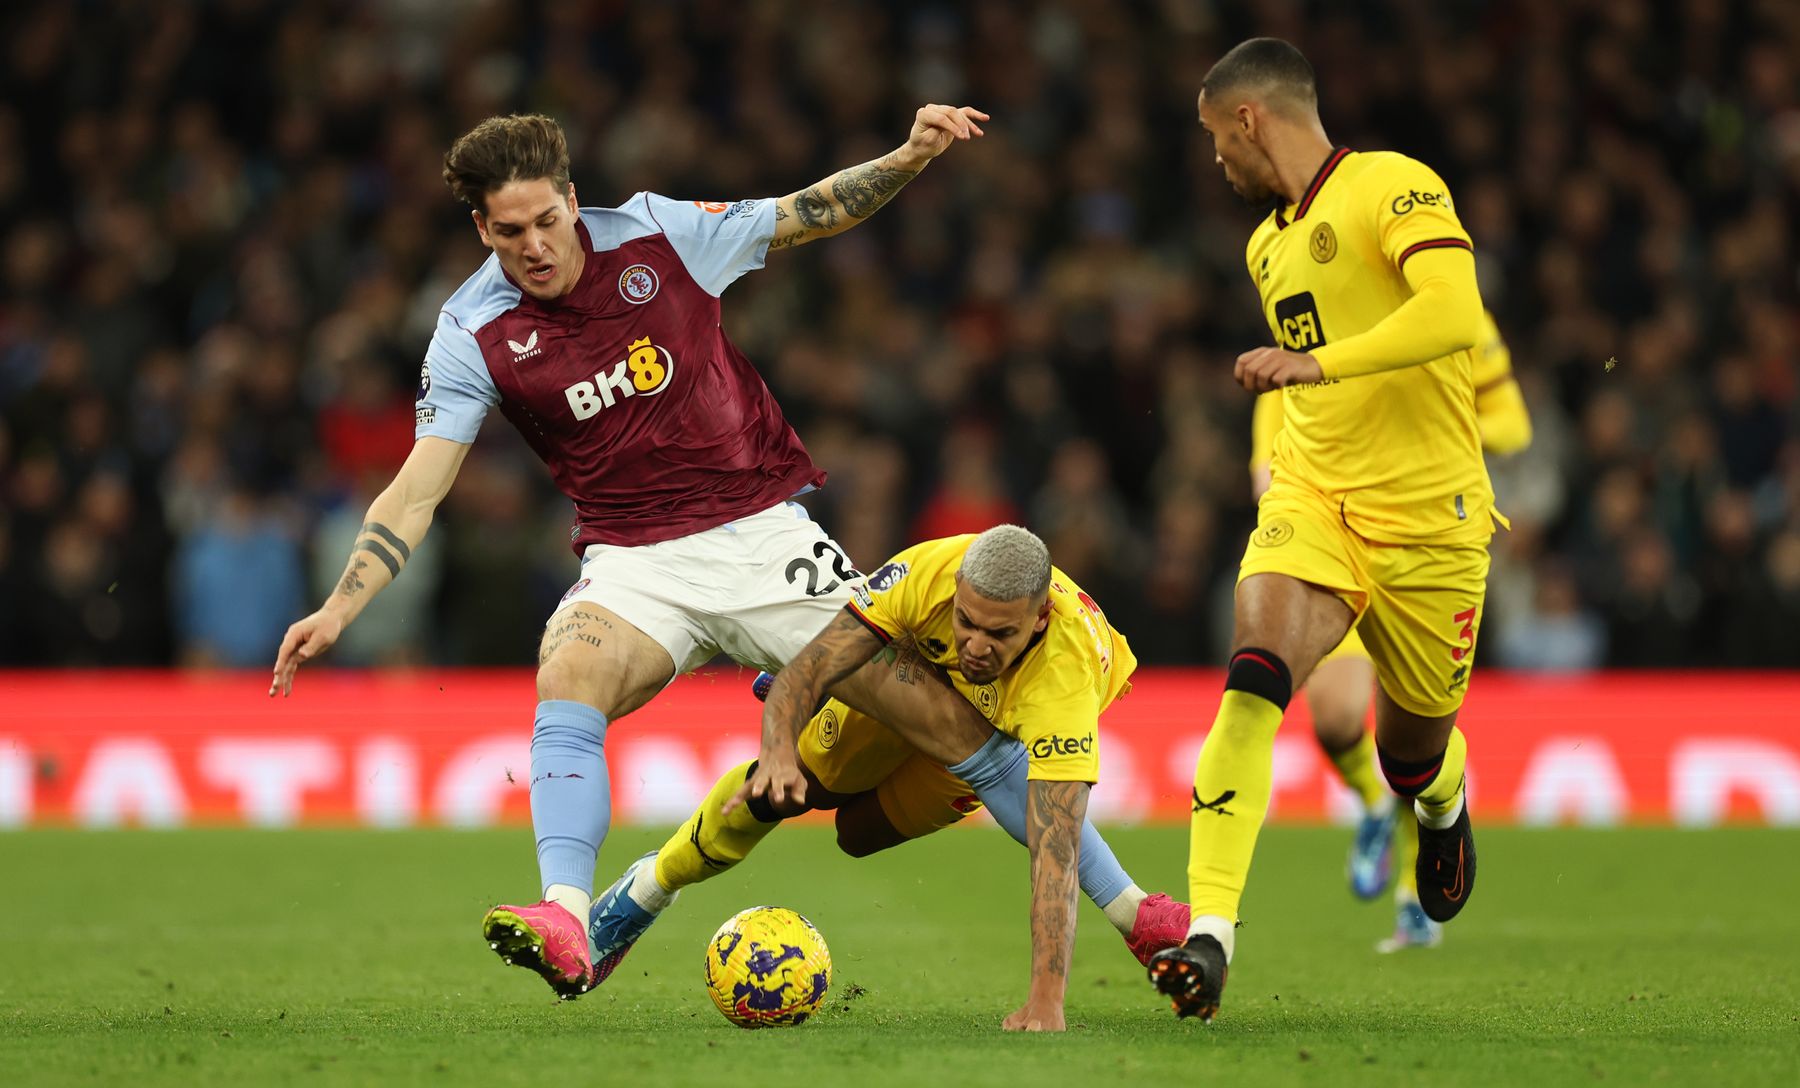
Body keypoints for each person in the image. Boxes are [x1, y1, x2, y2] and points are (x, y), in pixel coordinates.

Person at [264, 107, 1110, 1014]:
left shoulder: (661, 236)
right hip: (634, 562)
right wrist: (340, 606)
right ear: (481, 228)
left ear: (573, 200)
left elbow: (809, 211)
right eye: (510, 232)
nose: (537, 246)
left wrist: (907, 157)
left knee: (952, 729)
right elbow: (415, 490)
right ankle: (564, 913)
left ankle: (1139, 915)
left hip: (762, 537)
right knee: (569, 674)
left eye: (548, 221)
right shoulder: (473, 332)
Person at [1149, 38, 1504, 1022]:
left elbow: (1454, 312)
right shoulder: (1265, 243)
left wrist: (1324, 362)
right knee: (1254, 675)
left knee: (1412, 751)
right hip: (1314, 498)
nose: (1217, 160)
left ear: (1251, 118)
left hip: (1434, 517)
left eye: (1219, 137)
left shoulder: (1393, 186)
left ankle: (1440, 804)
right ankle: (1210, 935)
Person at [586, 526, 1190, 1027]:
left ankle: (1139, 916)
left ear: (1039, 620)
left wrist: (1046, 1000)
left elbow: (1055, 842)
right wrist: (775, 752)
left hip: (998, 734)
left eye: (1000, 634)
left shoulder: (1065, 681)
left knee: (858, 834)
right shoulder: (925, 573)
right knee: (797, 791)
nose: (977, 646)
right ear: (956, 591)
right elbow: (808, 665)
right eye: (968, 622)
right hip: (916, 679)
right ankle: (643, 893)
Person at [1248, 309, 1531, 952]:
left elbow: (1514, 423)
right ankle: (1372, 803)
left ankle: (1413, 895)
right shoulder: (1313, 324)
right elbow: (1266, 459)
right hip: (1337, 547)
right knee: (1337, 722)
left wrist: (1430, 433)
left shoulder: (1456, 317)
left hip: (1424, 540)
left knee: (1408, 746)